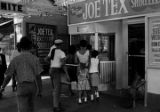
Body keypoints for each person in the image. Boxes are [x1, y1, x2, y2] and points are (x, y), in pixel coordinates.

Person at [0, 37, 43, 112]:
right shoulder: (35, 59)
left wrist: (3, 87)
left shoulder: (15, 60)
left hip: (21, 87)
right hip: (33, 86)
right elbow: (38, 76)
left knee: (22, 109)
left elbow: (9, 76)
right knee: (31, 107)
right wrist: (40, 89)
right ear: (30, 46)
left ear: (20, 47)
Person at [47, 39, 69, 112]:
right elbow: (63, 64)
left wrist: (52, 64)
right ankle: (56, 107)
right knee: (57, 89)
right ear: (60, 45)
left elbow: (46, 59)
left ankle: (57, 104)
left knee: (55, 88)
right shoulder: (61, 52)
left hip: (51, 70)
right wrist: (67, 74)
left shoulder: (52, 50)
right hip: (56, 71)